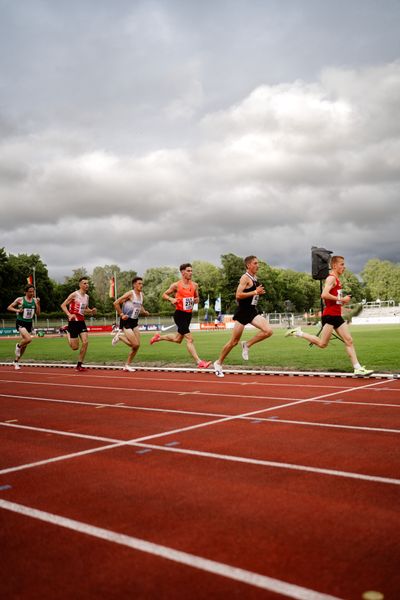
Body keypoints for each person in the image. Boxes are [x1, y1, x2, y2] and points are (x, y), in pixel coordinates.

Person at [285, 255, 374, 376]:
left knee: (349, 340)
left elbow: (335, 300)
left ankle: (357, 368)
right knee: (322, 344)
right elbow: (324, 295)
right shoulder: (331, 278)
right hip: (330, 316)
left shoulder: (337, 280)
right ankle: (298, 332)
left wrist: (342, 302)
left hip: (337, 315)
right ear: (334, 266)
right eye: (342, 264)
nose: (344, 266)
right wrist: (342, 298)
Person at [213, 256, 273, 377]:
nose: (258, 265)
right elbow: (238, 295)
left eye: (258, 263)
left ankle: (247, 344)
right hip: (242, 313)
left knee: (268, 331)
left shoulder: (255, 278)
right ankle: (218, 363)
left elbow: (251, 296)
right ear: (248, 265)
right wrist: (255, 292)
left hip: (252, 311)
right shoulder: (245, 278)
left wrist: (257, 293)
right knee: (234, 342)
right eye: (255, 263)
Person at [150, 263, 211, 369]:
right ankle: (199, 362)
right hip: (179, 315)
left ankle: (159, 337)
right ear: (182, 272)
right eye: (188, 271)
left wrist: (196, 300)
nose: (190, 273)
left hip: (188, 315)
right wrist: (171, 299)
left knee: (178, 339)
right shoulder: (176, 285)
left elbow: (197, 298)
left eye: (191, 271)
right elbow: (164, 294)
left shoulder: (195, 285)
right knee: (190, 339)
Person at [112, 276, 150, 372]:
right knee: (135, 344)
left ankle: (127, 365)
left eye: (142, 284)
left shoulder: (142, 295)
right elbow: (116, 303)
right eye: (139, 283)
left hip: (134, 321)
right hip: (126, 321)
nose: (141, 285)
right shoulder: (130, 293)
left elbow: (140, 306)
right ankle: (120, 337)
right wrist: (121, 314)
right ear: (134, 284)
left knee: (137, 346)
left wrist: (144, 312)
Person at [60, 277, 97, 372]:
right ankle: (67, 330)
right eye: (84, 283)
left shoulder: (87, 297)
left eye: (87, 283)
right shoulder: (74, 295)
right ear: (80, 285)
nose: (87, 285)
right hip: (73, 322)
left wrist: (91, 311)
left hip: (81, 321)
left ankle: (79, 365)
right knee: (74, 347)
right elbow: (63, 305)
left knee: (85, 342)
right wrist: (69, 314)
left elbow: (85, 309)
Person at [7, 284, 41, 370]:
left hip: (29, 323)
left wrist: (38, 304)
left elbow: (38, 313)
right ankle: (18, 345)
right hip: (20, 322)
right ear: (25, 292)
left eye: (33, 291)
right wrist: (18, 310)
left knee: (25, 345)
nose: (32, 293)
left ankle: (16, 361)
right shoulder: (20, 299)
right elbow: (9, 307)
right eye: (30, 292)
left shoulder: (35, 300)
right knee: (28, 339)